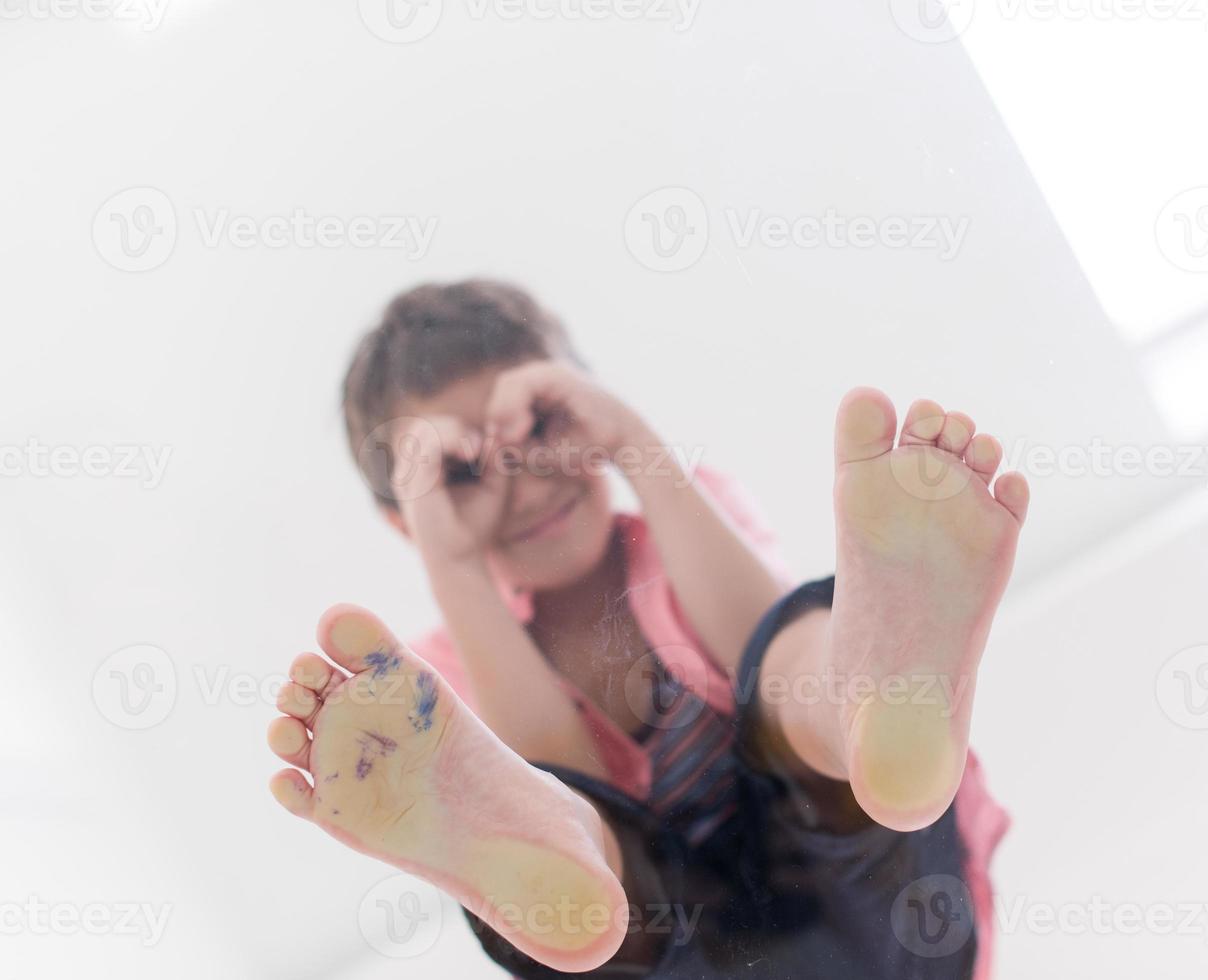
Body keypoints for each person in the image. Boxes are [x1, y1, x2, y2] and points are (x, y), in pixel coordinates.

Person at [264, 280, 1029, 978]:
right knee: (571, 830)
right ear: (409, 525)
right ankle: (568, 852)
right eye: (462, 475)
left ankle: (864, 701)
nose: (523, 483)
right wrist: (454, 566)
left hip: (883, 901)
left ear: (588, 403)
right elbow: (555, 764)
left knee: (789, 667)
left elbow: (752, 636)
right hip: (679, 951)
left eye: (540, 426)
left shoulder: (684, 528)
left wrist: (636, 444)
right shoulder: (432, 689)